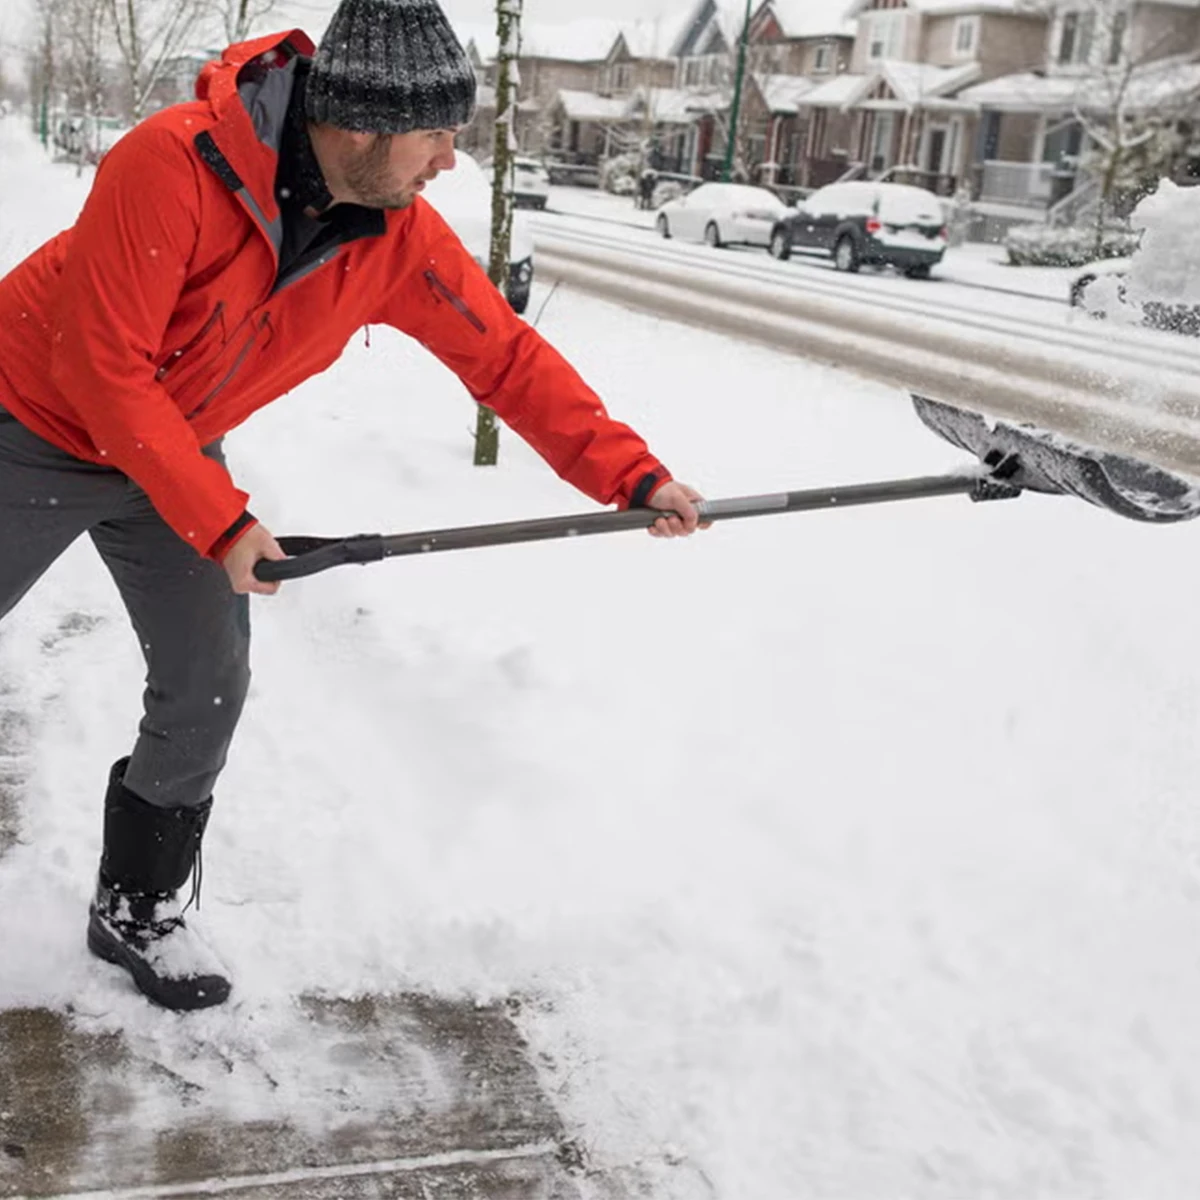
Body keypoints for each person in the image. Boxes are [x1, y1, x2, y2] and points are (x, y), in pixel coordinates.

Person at [0, 0, 706, 1012]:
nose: (448, 164)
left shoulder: (392, 237)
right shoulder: (170, 165)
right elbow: (103, 369)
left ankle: (137, 908)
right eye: (435, 137)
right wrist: (229, 524)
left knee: (207, 682)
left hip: (172, 444)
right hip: (30, 420)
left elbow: (502, 354)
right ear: (366, 125)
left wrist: (630, 475)